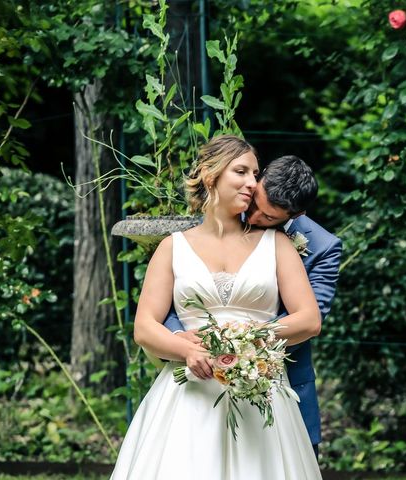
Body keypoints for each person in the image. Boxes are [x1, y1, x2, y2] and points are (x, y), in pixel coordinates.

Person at [109, 135, 323, 480]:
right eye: (241, 171)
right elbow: (144, 327)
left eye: (255, 173)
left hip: (260, 391)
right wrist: (185, 350)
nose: (253, 182)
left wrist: (248, 339)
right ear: (211, 175)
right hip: (189, 393)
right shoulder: (171, 248)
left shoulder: (277, 244)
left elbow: (309, 319)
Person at [166, 155, 343, 456]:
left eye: (269, 217)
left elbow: (310, 319)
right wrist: (179, 338)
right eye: (256, 205)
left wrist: (242, 346)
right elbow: (182, 293)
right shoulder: (222, 217)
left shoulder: (323, 247)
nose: (255, 217)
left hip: (278, 381)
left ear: (295, 214)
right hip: (201, 376)